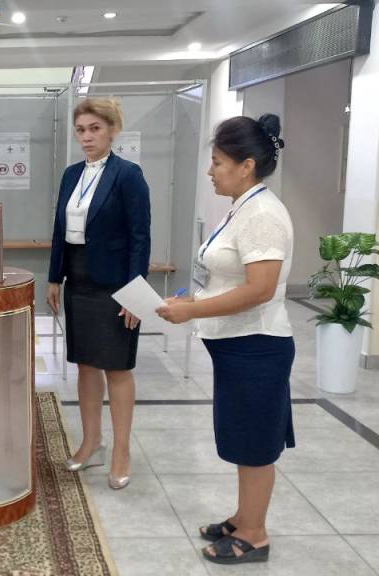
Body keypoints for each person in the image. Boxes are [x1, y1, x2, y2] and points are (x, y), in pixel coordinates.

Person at [157, 114, 293, 565]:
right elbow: (229, 276)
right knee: (242, 436)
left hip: (257, 345)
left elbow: (261, 288)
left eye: (217, 162)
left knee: (254, 442)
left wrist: (192, 310)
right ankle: (243, 516)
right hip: (236, 345)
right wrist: (193, 298)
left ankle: (254, 535)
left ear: (246, 165)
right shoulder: (243, 206)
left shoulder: (263, 215)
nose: (211, 171)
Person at [47, 98, 151, 490]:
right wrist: (55, 277)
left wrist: (135, 296)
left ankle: (121, 450)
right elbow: (60, 229)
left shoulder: (128, 175)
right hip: (79, 280)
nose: (87, 136)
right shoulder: (72, 174)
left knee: (117, 368)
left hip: (115, 286)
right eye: (81, 130)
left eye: (94, 128)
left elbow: (141, 238)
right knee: (86, 365)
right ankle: (92, 441)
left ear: (112, 130)